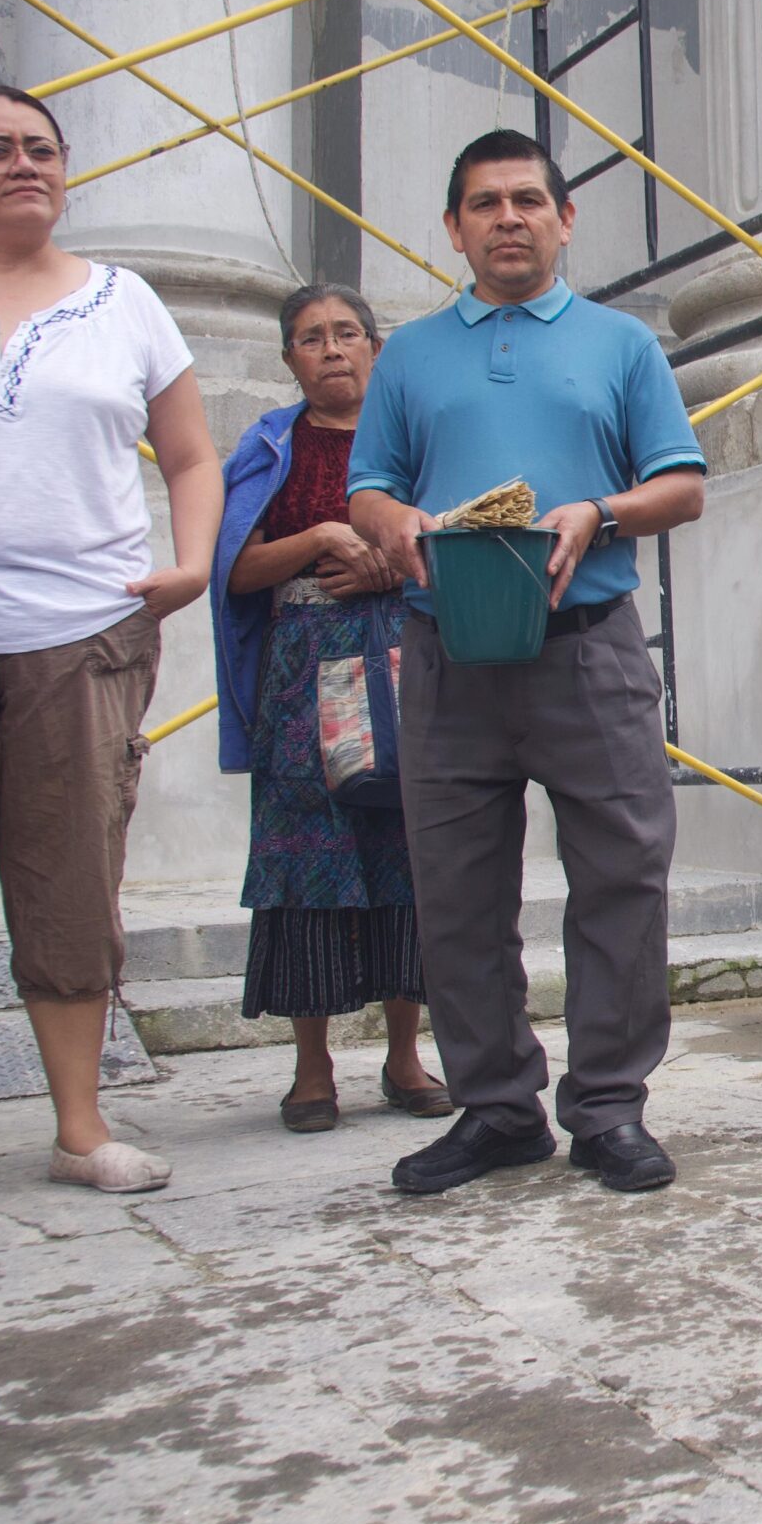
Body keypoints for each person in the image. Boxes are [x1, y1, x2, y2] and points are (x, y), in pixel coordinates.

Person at [349, 131, 707, 1196]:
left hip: (589, 653)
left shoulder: (621, 345)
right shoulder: (410, 354)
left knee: (621, 880)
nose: (507, 218)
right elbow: (367, 486)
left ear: (564, 218)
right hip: (447, 654)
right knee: (456, 895)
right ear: (454, 229)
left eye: (526, 200)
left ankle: (606, 1107)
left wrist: (598, 510)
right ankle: (496, 1107)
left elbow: (681, 484)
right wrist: (397, 523)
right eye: (484, 204)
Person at [0, 81, 219, 1192]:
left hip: (82, 632)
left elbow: (190, 455)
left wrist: (192, 559)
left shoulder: (125, 302)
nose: (24, 164)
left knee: (69, 880)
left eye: (41, 148)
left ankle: (78, 1129)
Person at [213, 285, 450, 1134]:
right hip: (299, 678)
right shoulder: (269, 447)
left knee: (406, 853)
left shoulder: (409, 444)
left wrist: (386, 567)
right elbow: (234, 571)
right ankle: (311, 1069)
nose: (333, 349)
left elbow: (448, 537)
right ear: (288, 359)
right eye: (311, 338)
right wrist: (317, 539)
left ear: (376, 348)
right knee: (303, 864)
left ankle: (405, 1056)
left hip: (399, 658)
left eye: (348, 332)